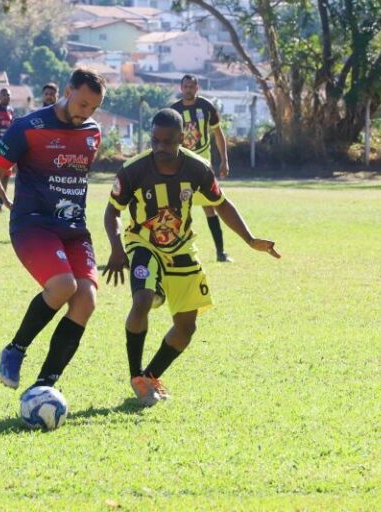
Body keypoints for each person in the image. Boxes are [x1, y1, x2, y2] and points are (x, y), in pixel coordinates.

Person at [103, 108, 280, 407]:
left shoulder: (197, 168)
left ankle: (151, 374)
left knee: (186, 327)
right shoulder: (134, 169)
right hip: (142, 242)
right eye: (155, 141)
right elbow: (112, 212)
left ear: (182, 138)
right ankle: (136, 376)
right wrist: (117, 247)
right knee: (142, 300)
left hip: (182, 247)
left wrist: (249, 240)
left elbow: (221, 204)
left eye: (168, 142)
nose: (160, 148)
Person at [0, 68, 106, 397]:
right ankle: (15, 349)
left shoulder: (93, 132)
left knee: (85, 299)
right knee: (62, 286)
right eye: (83, 103)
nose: (86, 113)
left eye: (93, 108)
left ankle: (44, 386)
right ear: (68, 91)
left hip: (74, 228)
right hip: (33, 224)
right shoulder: (28, 127)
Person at [170, 74, 233, 262]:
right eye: (185, 86)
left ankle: (220, 252)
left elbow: (217, 132)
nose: (188, 89)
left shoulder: (206, 107)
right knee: (177, 207)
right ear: (181, 88)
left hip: (203, 163)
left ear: (197, 88)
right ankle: (173, 252)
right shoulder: (174, 111)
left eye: (192, 86)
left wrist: (224, 160)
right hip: (181, 164)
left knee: (210, 205)